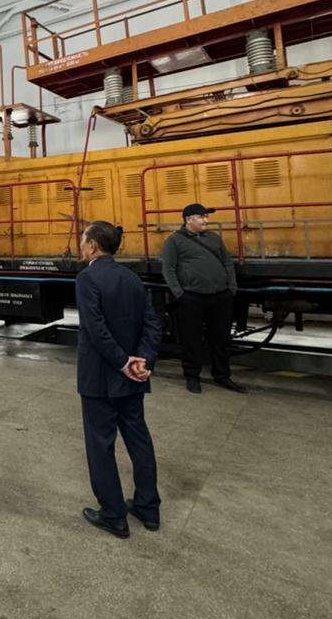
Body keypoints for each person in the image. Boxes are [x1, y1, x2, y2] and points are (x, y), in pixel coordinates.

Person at [76, 220, 162, 539]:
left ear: (93, 246)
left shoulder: (87, 278)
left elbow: (95, 329)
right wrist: (142, 361)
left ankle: (113, 515)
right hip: (132, 378)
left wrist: (123, 362)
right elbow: (152, 324)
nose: (80, 244)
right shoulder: (132, 278)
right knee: (139, 439)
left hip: (100, 378)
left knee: (101, 444)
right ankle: (148, 507)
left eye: (83, 239)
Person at [161, 203, 246, 395]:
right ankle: (192, 377)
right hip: (192, 297)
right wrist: (180, 293)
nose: (206, 220)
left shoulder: (214, 238)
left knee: (221, 338)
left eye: (206, 217)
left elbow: (227, 263)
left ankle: (222, 376)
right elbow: (168, 268)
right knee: (191, 339)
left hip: (220, 296)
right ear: (188, 219)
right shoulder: (174, 241)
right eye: (201, 217)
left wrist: (231, 288)